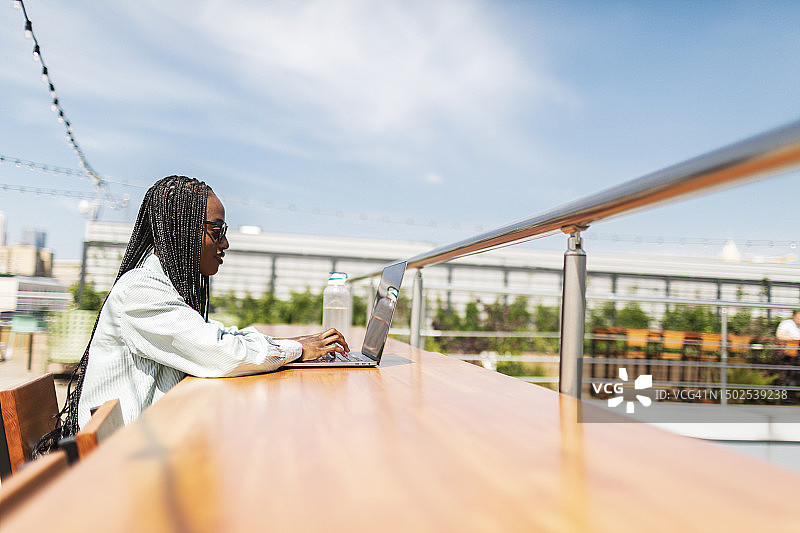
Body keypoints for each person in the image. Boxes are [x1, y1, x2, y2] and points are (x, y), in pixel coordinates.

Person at [56, 176, 349, 437]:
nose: (225, 243)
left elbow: (215, 336)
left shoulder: (164, 284)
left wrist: (284, 345)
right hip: (120, 462)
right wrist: (294, 351)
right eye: (216, 231)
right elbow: (221, 354)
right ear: (177, 230)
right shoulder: (141, 291)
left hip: (150, 443)